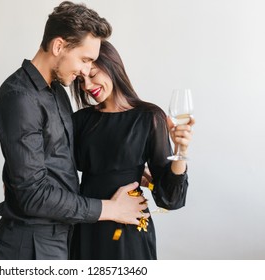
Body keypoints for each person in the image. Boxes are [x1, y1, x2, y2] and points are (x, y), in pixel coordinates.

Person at [0, 1, 149, 260]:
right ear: (58, 46)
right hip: (31, 246)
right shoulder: (19, 98)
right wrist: (111, 209)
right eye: (85, 59)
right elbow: (32, 194)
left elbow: (62, 156)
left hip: (62, 236)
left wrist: (124, 165)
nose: (86, 71)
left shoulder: (56, 91)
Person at [70, 40, 195, 260]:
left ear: (112, 67)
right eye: (81, 79)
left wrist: (180, 150)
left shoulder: (148, 117)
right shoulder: (79, 120)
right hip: (88, 225)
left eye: (93, 74)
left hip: (129, 227)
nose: (87, 86)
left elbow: (170, 198)